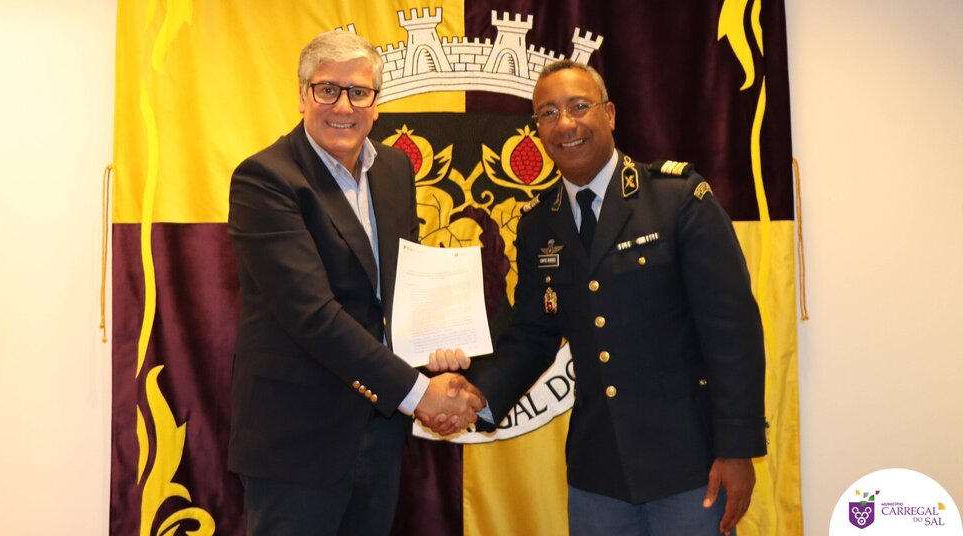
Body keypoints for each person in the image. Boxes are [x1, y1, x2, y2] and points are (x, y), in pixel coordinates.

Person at [431, 59, 766, 535]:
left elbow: (733, 332)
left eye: (578, 106)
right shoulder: (539, 224)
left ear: (609, 114)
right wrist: (478, 396)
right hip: (598, 476)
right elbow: (532, 336)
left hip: (689, 466)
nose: (565, 124)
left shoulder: (677, 200)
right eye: (548, 113)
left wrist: (737, 448)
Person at [227, 30, 479, 536]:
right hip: (297, 442)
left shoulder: (394, 168)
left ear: (376, 103)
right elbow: (312, 315)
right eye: (327, 89)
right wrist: (418, 394)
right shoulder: (265, 179)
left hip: (380, 430)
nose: (343, 106)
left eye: (358, 92)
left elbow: (400, 288)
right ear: (303, 96)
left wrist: (435, 348)